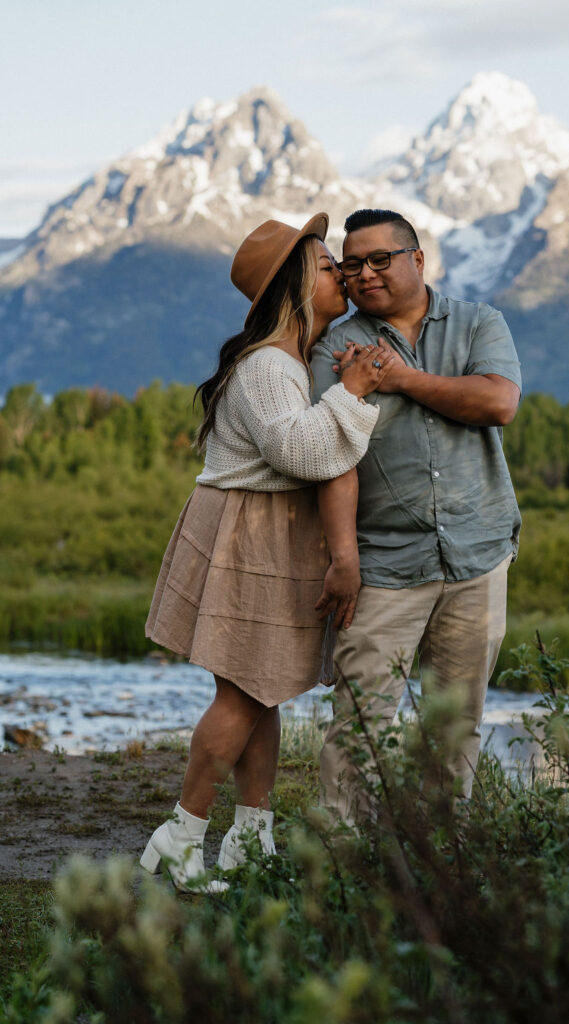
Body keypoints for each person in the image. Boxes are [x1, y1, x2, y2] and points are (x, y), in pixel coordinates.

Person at [140, 213, 395, 891]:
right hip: (251, 532)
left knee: (260, 690)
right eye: (322, 266)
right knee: (244, 695)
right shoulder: (269, 367)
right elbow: (301, 452)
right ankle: (182, 833)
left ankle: (251, 838)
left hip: (263, 529)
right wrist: (355, 392)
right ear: (290, 286)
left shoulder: (279, 362)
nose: (339, 273)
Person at [310, 208, 522, 824]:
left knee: (455, 727)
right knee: (360, 726)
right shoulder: (332, 346)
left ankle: (441, 874)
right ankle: (344, 870)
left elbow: (497, 401)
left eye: (381, 259)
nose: (365, 273)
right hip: (381, 563)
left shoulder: (480, 322)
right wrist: (343, 558)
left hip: (477, 555)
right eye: (352, 264)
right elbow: (333, 454)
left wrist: (402, 380)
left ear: (417, 260)